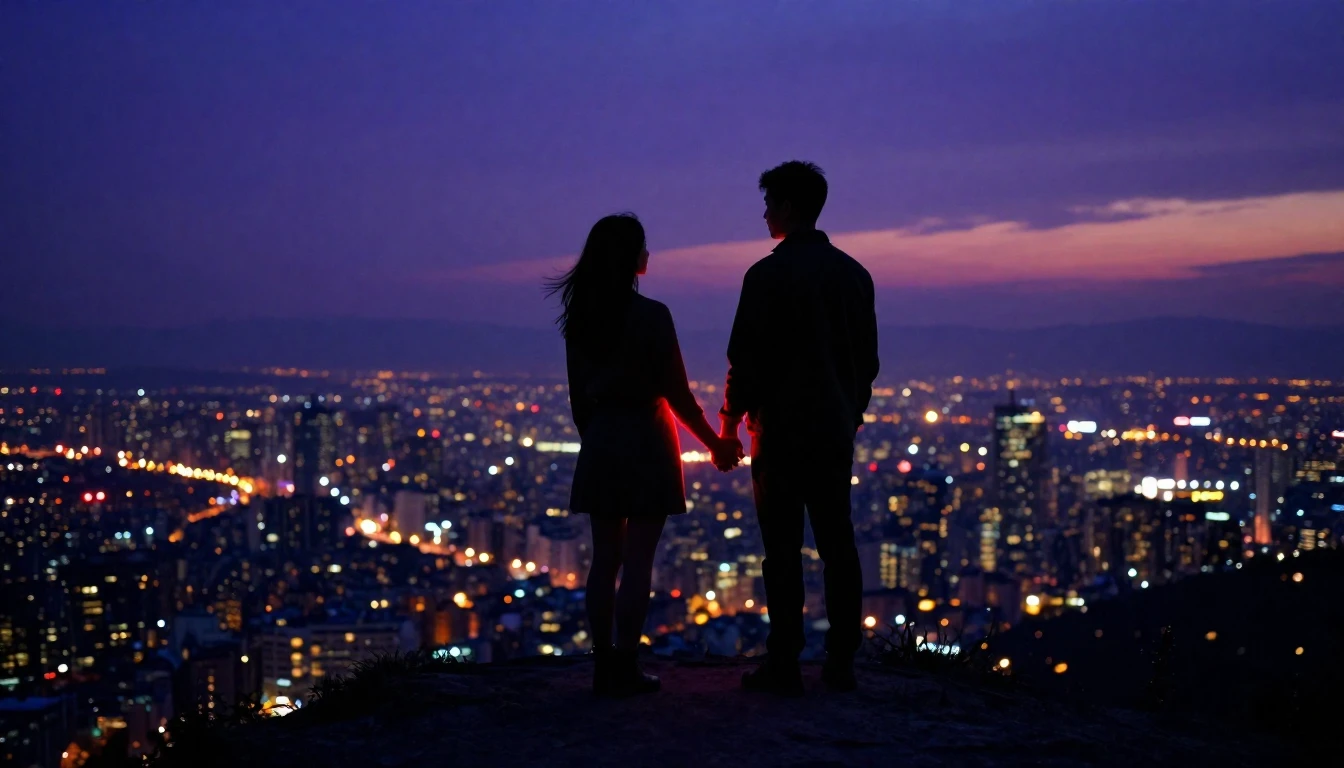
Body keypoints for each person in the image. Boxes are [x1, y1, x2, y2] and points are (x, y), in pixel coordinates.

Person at [547, 213, 740, 696]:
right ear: (631, 258)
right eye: (643, 247)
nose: (648, 255)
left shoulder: (581, 319)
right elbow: (677, 394)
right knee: (638, 562)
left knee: (603, 560)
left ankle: (602, 666)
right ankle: (627, 665)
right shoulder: (653, 315)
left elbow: (578, 401)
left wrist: (599, 437)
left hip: (603, 439)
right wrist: (715, 443)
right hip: (650, 442)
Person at [718, 161, 880, 695]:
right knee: (839, 545)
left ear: (788, 206)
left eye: (769, 204)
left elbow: (744, 358)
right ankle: (841, 663)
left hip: (780, 433)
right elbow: (868, 362)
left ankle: (784, 662)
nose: (764, 214)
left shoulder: (766, 276)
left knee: (782, 551)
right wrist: (849, 412)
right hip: (833, 432)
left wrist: (731, 423)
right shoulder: (855, 275)